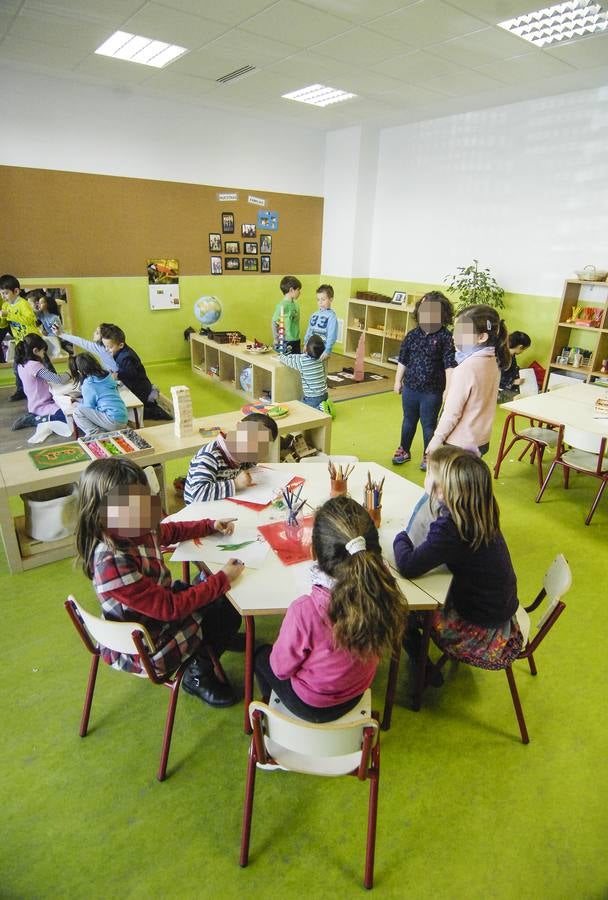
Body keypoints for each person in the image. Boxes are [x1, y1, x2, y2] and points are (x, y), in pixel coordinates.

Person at [75, 457, 245, 707]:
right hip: (151, 643)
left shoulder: (133, 523)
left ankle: (214, 640)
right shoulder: (111, 562)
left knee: (223, 602)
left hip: (159, 612)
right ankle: (196, 675)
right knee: (226, 613)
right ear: (100, 516)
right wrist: (222, 579)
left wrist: (209, 526)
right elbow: (170, 608)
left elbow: (169, 531)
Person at [254, 495, 407, 722]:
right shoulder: (385, 589)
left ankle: (278, 720)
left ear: (314, 553)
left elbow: (280, 669)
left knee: (260, 657)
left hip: (311, 703)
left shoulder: (304, 611)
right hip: (357, 692)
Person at [393, 446, 523, 684]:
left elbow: (408, 566)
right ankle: (419, 657)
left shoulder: (452, 528)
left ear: (444, 491)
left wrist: (400, 535)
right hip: (502, 614)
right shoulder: (482, 510)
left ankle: (418, 659)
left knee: (398, 608)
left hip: (481, 631)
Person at [426, 304, 509, 458]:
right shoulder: (494, 361)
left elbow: (452, 412)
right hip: (481, 440)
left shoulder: (466, 368)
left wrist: (436, 440)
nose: (453, 336)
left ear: (481, 337)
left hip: (459, 443)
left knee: (451, 482)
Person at [392, 291, 456, 471]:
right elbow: (403, 359)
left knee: (429, 425)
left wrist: (447, 390)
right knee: (408, 421)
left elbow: (449, 366)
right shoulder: (412, 335)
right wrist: (398, 381)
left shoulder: (445, 337)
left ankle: (430, 454)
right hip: (410, 388)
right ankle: (404, 449)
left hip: (432, 391)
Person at [183, 412, 278, 504]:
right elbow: (198, 493)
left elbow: (250, 469)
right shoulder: (210, 456)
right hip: (200, 511)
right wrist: (235, 484)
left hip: (223, 501)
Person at [13, 333, 72, 442]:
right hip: (42, 405)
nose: (44, 354)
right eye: (43, 351)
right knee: (68, 418)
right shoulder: (34, 365)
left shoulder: (21, 364)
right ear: (35, 351)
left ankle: (35, 416)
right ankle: (36, 419)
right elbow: (58, 379)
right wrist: (70, 372)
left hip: (35, 404)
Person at [0, 273, 42, 401]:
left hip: (32, 341)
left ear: (16, 291)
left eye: (6, 293)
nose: (3, 296)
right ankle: (21, 390)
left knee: (39, 365)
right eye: (1, 293)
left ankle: (49, 385)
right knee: (17, 368)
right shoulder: (5, 305)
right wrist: (2, 317)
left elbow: (30, 320)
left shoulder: (23, 304)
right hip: (20, 342)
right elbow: (4, 325)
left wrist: (9, 314)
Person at [69, 351, 129, 437]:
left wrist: (77, 404)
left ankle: (97, 435)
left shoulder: (89, 383)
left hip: (113, 421)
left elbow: (88, 407)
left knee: (77, 412)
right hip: (123, 418)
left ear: (80, 372)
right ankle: (105, 432)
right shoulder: (107, 376)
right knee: (85, 410)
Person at [277, 334, 330, 411]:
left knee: (301, 409)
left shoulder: (302, 362)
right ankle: (326, 405)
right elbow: (299, 356)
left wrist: (281, 356)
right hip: (324, 394)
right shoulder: (320, 360)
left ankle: (320, 408)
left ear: (306, 348)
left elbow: (288, 361)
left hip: (312, 398)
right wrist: (290, 355)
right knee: (302, 402)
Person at [303, 284, 338, 360]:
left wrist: (327, 351)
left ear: (331, 299)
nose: (320, 302)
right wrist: (306, 343)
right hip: (310, 348)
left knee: (321, 369)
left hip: (323, 351)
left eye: (323, 299)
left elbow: (332, 336)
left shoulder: (331, 317)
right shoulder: (314, 314)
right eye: (318, 300)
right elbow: (309, 330)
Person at [498, 330, 531, 402]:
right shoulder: (502, 356)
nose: (523, 352)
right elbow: (496, 376)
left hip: (507, 387)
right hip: (498, 391)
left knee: (530, 394)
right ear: (520, 347)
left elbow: (512, 369)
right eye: (524, 349)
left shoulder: (511, 355)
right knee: (522, 399)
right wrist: (513, 382)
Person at [271, 275, 301, 354]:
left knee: (296, 361)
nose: (299, 292)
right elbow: (274, 322)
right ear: (291, 290)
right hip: (286, 340)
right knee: (286, 363)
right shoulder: (282, 305)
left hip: (296, 339)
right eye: (298, 290)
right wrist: (276, 338)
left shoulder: (296, 304)